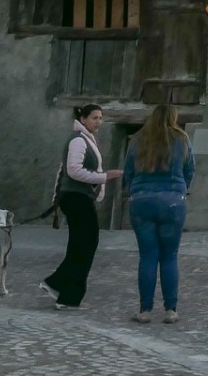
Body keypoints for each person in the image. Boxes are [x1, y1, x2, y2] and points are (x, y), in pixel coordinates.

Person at [40, 103, 121, 310]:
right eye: (94, 118)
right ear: (83, 119)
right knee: (85, 244)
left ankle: (65, 291)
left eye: (100, 118)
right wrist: (104, 177)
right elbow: (73, 170)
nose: (99, 122)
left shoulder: (84, 139)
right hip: (76, 197)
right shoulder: (78, 140)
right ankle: (63, 291)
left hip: (79, 197)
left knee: (81, 245)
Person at [123, 104, 194, 324]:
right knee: (169, 256)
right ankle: (171, 309)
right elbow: (189, 169)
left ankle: (145, 310)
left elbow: (128, 172)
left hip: (142, 201)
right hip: (172, 201)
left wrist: (134, 190)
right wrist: (180, 190)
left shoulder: (138, 140)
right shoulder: (181, 140)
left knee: (148, 256)